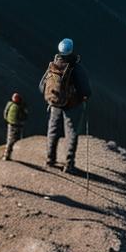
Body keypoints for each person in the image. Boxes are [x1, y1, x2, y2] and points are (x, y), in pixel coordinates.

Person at [39, 38, 91, 173]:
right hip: (72, 105)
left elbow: (41, 86)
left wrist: (55, 95)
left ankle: (50, 160)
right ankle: (69, 165)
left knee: (53, 131)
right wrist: (83, 97)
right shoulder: (76, 67)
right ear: (71, 49)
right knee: (71, 133)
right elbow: (85, 90)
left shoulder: (53, 65)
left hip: (55, 104)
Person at [2, 92, 28, 161]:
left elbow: (5, 114)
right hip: (15, 125)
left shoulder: (11, 105)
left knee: (13, 140)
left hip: (14, 124)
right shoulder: (20, 106)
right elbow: (25, 115)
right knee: (12, 140)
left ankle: (10, 155)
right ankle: (7, 155)